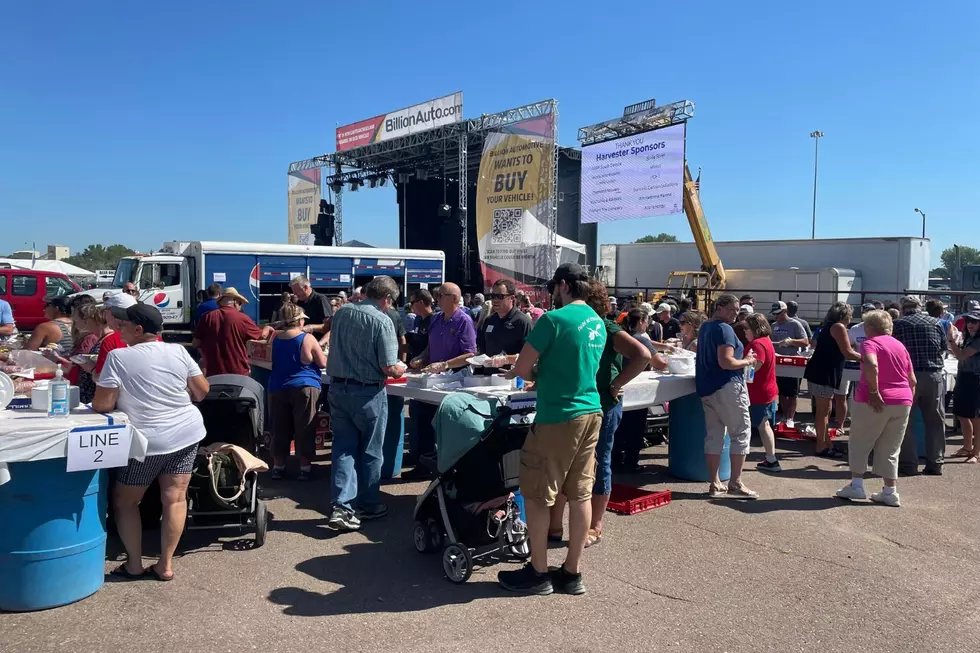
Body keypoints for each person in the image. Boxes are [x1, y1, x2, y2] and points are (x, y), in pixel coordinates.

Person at [498, 263, 606, 596]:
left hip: (559, 415)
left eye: (554, 288)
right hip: (591, 412)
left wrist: (525, 370)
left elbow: (520, 366)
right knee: (580, 492)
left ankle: (538, 571)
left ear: (563, 285)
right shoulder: (597, 321)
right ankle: (572, 573)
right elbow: (574, 363)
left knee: (537, 493)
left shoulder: (553, 320)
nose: (552, 293)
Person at [93, 303, 210, 582]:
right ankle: (165, 565)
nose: (118, 328)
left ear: (138, 329)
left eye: (123, 324)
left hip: (146, 441)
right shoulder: (179, 351)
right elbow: (202, 391)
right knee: (175, 497)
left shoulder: (119, 357)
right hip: (185, 432)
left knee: (125, 501)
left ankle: (134, 563)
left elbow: (102, 404)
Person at [549, 278, 650, 549]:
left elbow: (642, 355)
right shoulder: (579, 324)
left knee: (599, 462)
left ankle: (595, 525)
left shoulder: (604, 326)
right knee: (572, 464)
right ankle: (559, 525)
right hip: (583, 403)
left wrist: (616, 384)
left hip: (603, 404)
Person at [325, 276, 406, 531]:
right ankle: (369, 504)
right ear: (387, 299)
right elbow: (388, 366)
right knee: (371, 451)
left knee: (343, 448)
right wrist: (400, 368)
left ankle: (342, 505)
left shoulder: (342, 313)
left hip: (338, 388)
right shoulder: (382, 321)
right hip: (368, 393)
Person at [836, 310, 915, 507]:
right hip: (902, 400)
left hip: (875, 400)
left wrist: (873, 391)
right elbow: (912, 379)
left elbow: (871, 364)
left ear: (869, 327)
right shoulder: (900, 346)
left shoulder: (870, 343)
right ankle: (890, 491)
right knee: (891, 448)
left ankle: (856, 484)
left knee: (860, 441)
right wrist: (908, 399)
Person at [404, 283, 477, 478]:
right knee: (419, 416)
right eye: (437, 295)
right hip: (434, 377)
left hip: (455, 379)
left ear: (454, 298)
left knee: (442, 423)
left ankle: (442, 468)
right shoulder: (436, 319)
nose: (437, 299)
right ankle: (422, 464)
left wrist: (445, 364)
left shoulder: (464, 321)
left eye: (441, 295)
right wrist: (421, 357)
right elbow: (430, 347)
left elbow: (470, 353)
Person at [696, 294, 759, 499]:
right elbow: (726, 361)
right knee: (740, 433)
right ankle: (735, 481)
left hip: (708, 388)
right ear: (720, 308)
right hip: (727, 387)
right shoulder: (724, 329)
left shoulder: (706, 327)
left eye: (737, 309)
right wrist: (747, 360)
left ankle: (714, 482)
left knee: (714, 435)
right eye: (732, 309)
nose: (735, 313)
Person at [269, 304, 327, 481]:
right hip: (304, 386)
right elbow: (322, 363)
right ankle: (305, 468)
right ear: (300, 320)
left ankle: (278, 466)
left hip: (278, 386)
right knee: (305, 427)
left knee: (279, 428)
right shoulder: (307, 338)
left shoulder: (275, 338)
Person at [893, 295, 948, 476]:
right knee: (935, 421)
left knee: (905, 421)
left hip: (908, 376)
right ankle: (935, 463)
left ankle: (909, 464)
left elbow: (895, 351)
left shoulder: (899, 324)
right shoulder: (936, 323)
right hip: (933, 374)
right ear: (920, 306)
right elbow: (942, 347)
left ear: (903, 308)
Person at [804, 302, 860, 457]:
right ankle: (821, 446)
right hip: (823, 372)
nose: (851, 318)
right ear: (843, 315)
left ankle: (826, 442)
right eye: (849, 314)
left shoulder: (829, 326)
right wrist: (868, 358)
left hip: (821, 371)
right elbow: (848, 352)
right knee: (823, 412)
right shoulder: (838, 327)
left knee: (825, 410)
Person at [192, 287, 273, 377]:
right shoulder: (242, 318)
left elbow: (195, 343)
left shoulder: (207, 317)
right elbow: (262, 336)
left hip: (213, 373)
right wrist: (267, 328)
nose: (240, 306)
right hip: (238, 372)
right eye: (240, 303)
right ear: (235, 302)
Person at [743, 313, 781, 472]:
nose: (744, 331)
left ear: (754, 328)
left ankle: (772, 459)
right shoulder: (766, 342)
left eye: (746, 328)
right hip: (767, 389)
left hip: (759, 392)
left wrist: (742, 363)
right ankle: (771, 459)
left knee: (763, 425)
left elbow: (753, 369)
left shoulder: (757, 344)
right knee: (764, 424)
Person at [477, 279, 531, 372]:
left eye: (500, 296)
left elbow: (529, 355)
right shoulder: (489, 320)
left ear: (512, 298)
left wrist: (505, 359)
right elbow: (482, 349)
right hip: (488, 378)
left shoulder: (522, 321)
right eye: (493, 296)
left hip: (511, 379)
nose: (495, 300)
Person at [770, 301, 809, 429]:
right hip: (778, 362)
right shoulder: (774, 325)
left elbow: (805, 342)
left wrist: (791, 341)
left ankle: (790, 417)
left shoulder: (795, 324)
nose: (777, 317)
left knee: (792, 393)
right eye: (775, 314)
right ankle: (783, 416)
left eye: (779, 314)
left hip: (792, 363)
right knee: (781, 391)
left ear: (785, 311)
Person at [949, 310, 980, 462]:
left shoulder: (978, 340)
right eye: (968, 321)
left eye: (974, 322)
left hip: (975, 379)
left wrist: (950, 341)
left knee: (976, 417)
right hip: (964, 377)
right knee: (962, 414)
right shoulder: (968, 338)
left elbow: (961, 355)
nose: (970, 324)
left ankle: (976, 452)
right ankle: (967, 447)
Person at [94, 293, 137, 381]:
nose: (105, 316)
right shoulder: (154, 338)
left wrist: (91, 369)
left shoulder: (110, 341)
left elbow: (102, 379)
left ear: (115, 314)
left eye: (106, 312)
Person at [290, 275, 333, 347]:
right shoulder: (300, 302)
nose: (295, 294)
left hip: (319, 343)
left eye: (296, 292)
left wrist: (311, 327)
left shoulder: (320, 299)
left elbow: (328, 326)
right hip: (303, 342)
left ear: (306, 288)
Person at [405, 288, 434, 364]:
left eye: (412, 303)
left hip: (428, 366)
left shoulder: (434, 320)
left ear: (421, 302)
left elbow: (433, 345)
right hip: (416, 364)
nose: (411, 306)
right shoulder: (418, 319)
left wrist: (421, 358)